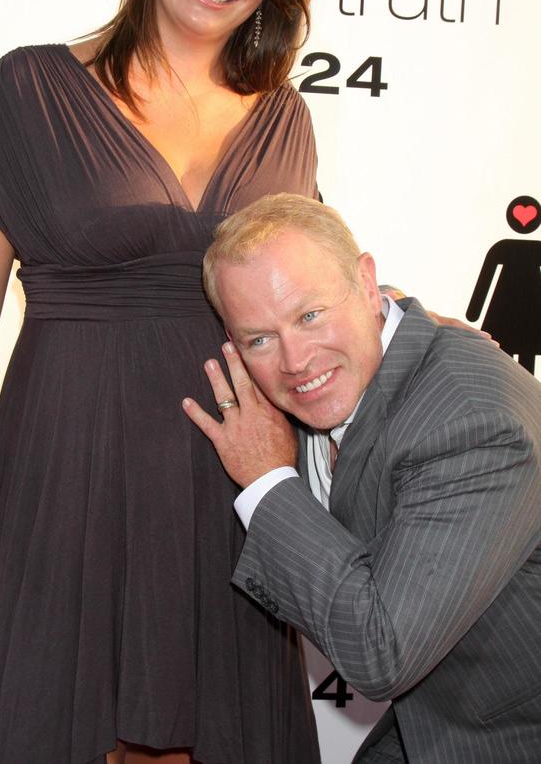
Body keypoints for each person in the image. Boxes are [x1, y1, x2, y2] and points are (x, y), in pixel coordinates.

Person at [0, 0, 322, 764]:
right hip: (69, 457)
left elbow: (306, 302)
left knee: (223, 724)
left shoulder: (285, 120)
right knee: (60, 715)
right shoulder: (26, 91)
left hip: (233, 473)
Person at [183, 193, 541, 763]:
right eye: (259, 338)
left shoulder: (471, 421)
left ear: (368, 283)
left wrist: (268, 479)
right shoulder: (348, 360)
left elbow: (382, 653)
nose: (296, 359)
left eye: (310, 316)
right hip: (427, 727)